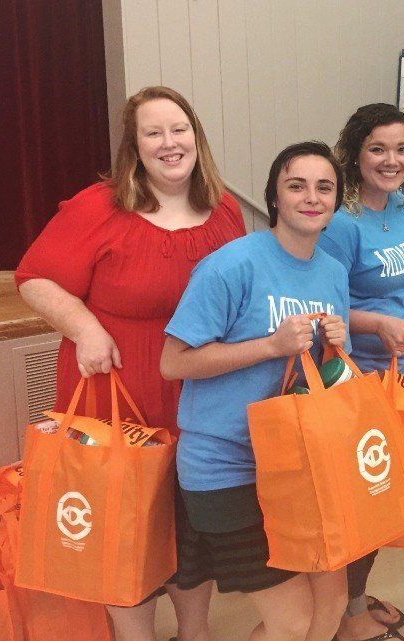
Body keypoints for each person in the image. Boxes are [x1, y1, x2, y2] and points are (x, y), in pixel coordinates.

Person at [16, 85, 245, 641]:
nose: (170, 144)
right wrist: (84, 327)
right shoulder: (99, 206)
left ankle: (195, 633)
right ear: (134, 147)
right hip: (116, 394)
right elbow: (34, 278)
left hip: (197, 399)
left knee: (190, 529)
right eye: (154, 133)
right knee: (123, 529)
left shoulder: (226, 208)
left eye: (179, 129)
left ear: (197, 135)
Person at [160, 142, 350, 641]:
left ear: (336, 201)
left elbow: (318, 379)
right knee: (293, 619)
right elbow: (172, 362)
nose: (311, 197)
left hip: (298, 461)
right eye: (296, 185)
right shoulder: (230, 265)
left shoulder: (332, 272)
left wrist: (337, 346)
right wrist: (269, 346)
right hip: (227, 467)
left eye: (324, 187)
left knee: (332, 601)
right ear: (275, 198)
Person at [319, 103, 404, 641]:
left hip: (399, 374)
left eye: (401, 149)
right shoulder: (342, 222)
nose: (391, 160)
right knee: (363, 499)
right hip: (354, 381)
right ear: (354, 154)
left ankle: (353, 597)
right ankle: (349, 619)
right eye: (377, 149)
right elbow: (323, 307)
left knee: (379, 498)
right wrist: (380, 321)